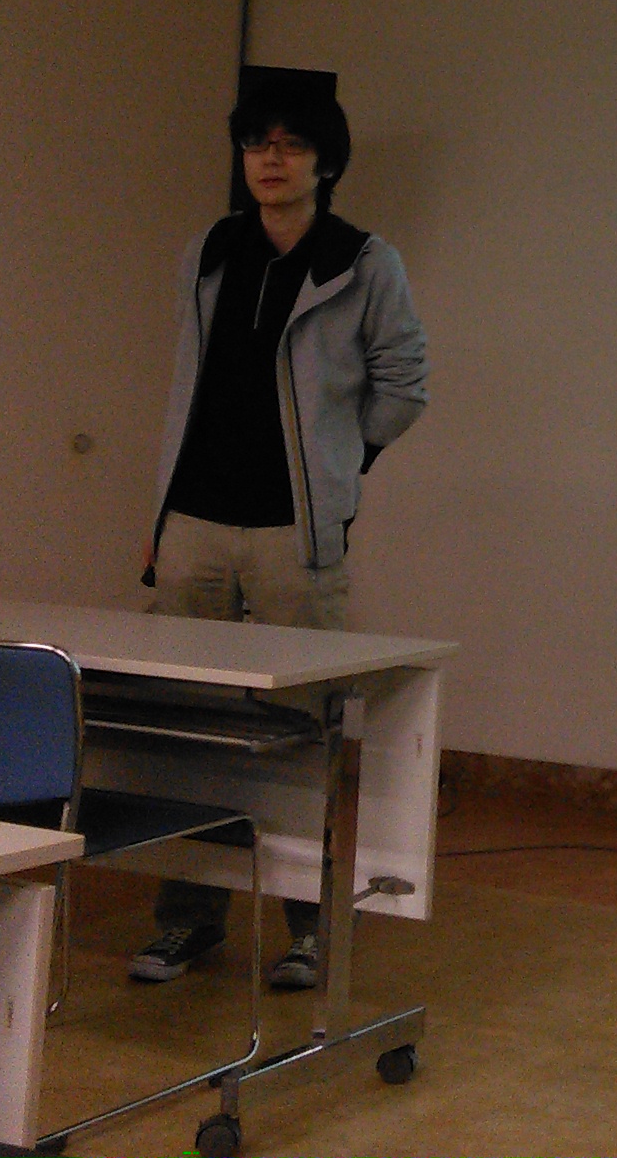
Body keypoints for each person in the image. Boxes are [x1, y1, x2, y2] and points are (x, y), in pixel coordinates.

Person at [132, 76, 428, 990]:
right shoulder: (209, 251)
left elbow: (404, 385)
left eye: (292, 144)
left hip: (294, 532)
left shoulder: (362, 262)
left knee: (304, 730)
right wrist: (160, 520)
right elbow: (189, 386)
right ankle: (189, 918)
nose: (272, 158)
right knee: (189, 725)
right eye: (258, 143)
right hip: (194, 519)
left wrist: (338, 470)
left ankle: (309, 926)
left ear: (324, 163)